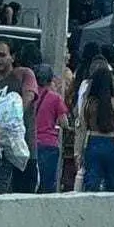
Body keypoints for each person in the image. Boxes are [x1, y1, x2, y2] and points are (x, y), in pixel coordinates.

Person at [0, 37, 39, 192]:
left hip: (23, 153)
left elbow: (28, 98)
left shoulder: (24, 75)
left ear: (12, 57)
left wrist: (7, 116)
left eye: (2, 55)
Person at [81, 66, 114, 192]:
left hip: (92, 141)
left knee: (92, 181)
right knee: (112, 182)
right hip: (110, 143)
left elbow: (83, 124)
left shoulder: (89, 102)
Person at [34, 64, 68, 193]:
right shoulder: (55, 98)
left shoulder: (30, 95)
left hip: (32, 143)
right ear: (50, 79)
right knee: (47, 184)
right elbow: (64, 122)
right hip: (49, 144)